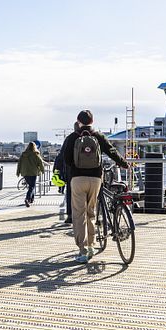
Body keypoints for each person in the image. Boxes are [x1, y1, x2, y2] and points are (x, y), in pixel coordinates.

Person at [63, 109, 129, 263]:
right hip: (95, 179)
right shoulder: (98, 136)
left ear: (78, 121)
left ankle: (83, 250)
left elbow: (66, 158)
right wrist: (124, 164)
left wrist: (74, 168)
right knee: (91, 212)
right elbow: (112, 151)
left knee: (79, 215)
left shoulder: (73, 137)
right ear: (92, 122)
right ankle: (92, 246)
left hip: (77, 179)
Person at [16, 142, 45, 207]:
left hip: (25, 173)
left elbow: (19, 164)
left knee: (31, 186)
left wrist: (18, 172)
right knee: (32, 186)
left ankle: (32, 199)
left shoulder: (23, 155)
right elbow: (41, 163)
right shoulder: (36, 154)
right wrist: (42, 170)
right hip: (33, 172)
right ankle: (27, 199)